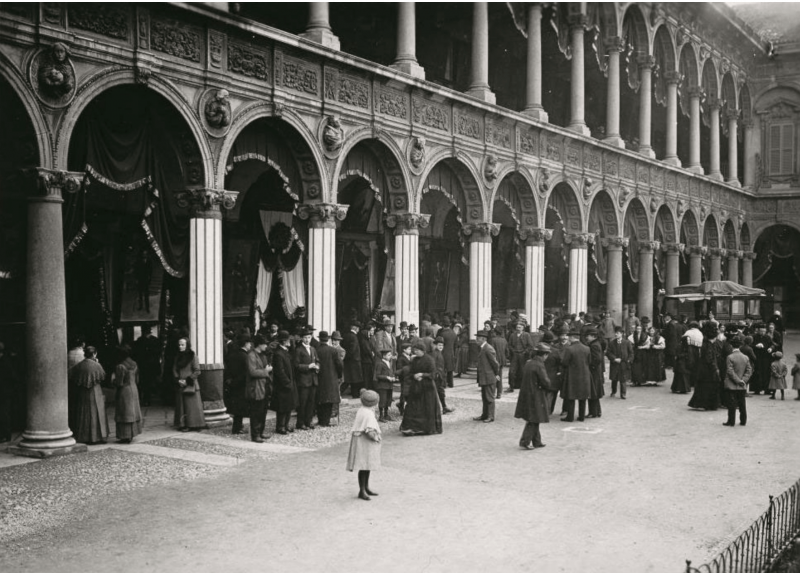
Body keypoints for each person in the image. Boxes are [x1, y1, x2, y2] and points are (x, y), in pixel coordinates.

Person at [515, 343, 553, 450]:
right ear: (544, 355)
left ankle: (537, 441)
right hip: (536, 394)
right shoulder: (539, 365)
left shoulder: (529, 363)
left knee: (535, 417)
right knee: (534, 419)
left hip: (528, 393)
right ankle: (525, 441)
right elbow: (545, 382)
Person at [69, 346, 109, 445]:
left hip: (83, 392)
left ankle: (84, 436)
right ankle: (98, 436)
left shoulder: (79, 365)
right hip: (95, 391)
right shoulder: (97, 365)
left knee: (84, 413)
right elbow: (102, 376)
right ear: (94, 354)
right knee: (97, 413)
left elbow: (72, 375)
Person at [400, 342, 442, 436]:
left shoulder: (429, 360)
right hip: (416, 386)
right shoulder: (414, 360)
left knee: (427, 407)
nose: (415, 352)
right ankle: (412, 427)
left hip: (427, 387)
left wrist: (422, 374)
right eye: (414, 350)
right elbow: (410, 372)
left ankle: (425, 428)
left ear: (423, 350)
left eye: (417, 350)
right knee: (413, 407)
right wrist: (414, 376)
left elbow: (433, 374)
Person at [346, 389, 381, 501]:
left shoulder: (362, 410)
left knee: (366, 465)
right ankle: (362, 490)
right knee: (364, 466)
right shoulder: (368, 414)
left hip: (359, 439)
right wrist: (376, 438)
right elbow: (369, 431)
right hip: (364, 442)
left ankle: (365, 487)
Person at [173, 337, 206, 432]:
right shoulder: (177, 357)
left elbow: (197, 370)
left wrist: (187, 380)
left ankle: (195, 424)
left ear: (187, 345)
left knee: (192, 406)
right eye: (179, 345)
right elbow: (174, 369)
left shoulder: (193, 356)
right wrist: (178, 379)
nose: (180, 347)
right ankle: (183, 424)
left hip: (191, 384)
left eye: (182, 345)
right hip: (181, 384)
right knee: (182, 406)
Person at [559, 327, 591, 422]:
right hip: (584, 375)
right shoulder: (587, 348)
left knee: (571, 396)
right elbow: (589, 361)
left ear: (572, 338)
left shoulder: (569, 349)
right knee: (583, 397)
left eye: (569, 337)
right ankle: (581, 416)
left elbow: (565, 362)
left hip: (572, 376)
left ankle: (570, 417)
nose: (568, 339)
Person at [688, 323, 721, 411]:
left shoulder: (705, 343)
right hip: (708, 370)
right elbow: (710, 358)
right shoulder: (710, 344)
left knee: (703, 386)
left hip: (703, 369)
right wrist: (715, 368)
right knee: (709, 386)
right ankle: (709, 404)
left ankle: (703, 403)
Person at [113, 345, 143, 444]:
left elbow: (119, 382)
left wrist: (113, 379)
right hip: (133, 389)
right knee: (132, 412)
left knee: (124, 413)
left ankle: (125, 436)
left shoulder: (120, 366)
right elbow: (137, 379)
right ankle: (131, 434)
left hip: (124, 391)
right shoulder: (134, 364)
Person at [245, 335, 272, 442]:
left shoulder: (263, 355)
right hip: (256, 387)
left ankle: (260, 432)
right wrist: (266, 371)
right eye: (265, 344)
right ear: (259, 345)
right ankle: (255, 434)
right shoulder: (251, 355)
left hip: (264, 386)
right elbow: (252, 372)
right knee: (256, 412)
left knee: (263, 411)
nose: (266, 346)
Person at [271, 331, 297, 434]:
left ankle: (286, 425)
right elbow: (280, 371)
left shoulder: (286, 352)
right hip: (282, 385)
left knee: (288, 406)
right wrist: (287, 383)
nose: (290, 342)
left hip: (288, 383)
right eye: (288, 340)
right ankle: (280, 426)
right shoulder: (278, 354)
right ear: (284, 341)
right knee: (282, 407)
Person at [294, 327, 320, 430]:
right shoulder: (298, 350)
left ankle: (308, 421)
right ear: (301, 338)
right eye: (305, 337)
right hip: (303, 380)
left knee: (311, 403)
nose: (307, 340)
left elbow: (318, 360)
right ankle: (300, 423)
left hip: (313, 379)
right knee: (302, 403)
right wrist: (308, 367)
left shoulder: (313, 349)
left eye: (309, 337)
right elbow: (296, 365)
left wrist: (317, 367)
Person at [723, 336, 752, 427]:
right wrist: (743, 380)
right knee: (742, 403)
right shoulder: (745, 357)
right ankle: (743, 421)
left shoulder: (730, 357)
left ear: (731, 346)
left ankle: (731, 421)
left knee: (731, 404)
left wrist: (737, 380)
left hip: (732, 384)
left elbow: (730, 371)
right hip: (742, 385)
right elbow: (749, 370)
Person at [226, 333, 251, 435]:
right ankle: (237, 428)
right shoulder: (245, 356)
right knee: (240, 407)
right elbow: (246, 372)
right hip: (242, 384)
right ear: (245, 344)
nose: (250, 345)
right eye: (249, 343)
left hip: (233, 383)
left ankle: (237, 426)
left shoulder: (233, 354)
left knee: (236, 407)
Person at [316, 331, 343, 427]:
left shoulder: (315, 349)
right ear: (328, 339)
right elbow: (339, 365)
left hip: (319, 377)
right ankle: (326, 421)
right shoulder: (333, 350)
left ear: (319, 339)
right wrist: (339, 375)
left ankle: (320, 420)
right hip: (331, 377)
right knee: (329, 400)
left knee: (320, 399)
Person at [473, 330, 500, 423]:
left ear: (483, 339)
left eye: (478, 338)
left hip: (489, 377)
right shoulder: (482, 348)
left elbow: (495, 364)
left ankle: (490, 416)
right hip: (484, 377)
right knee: (484, 397)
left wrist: (496, 374)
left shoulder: (488, 348)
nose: (476, 340)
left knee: (489, 397)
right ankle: (484, 415)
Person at [132, 326, 161, 407]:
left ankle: (142, 399)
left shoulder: (139, 341)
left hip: (142, 364)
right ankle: (146, 399)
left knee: (142, 382)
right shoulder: (155, 340)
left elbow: (135, 353)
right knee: (148, 383)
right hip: (150, 364)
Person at [607, 327, 633, 399]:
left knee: (623, 379)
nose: (616, 334)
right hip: (615, 363)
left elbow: (631, 353)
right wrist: (614, 358)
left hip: (623, 363)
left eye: (618, 333)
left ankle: (623, 393)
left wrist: (629, 360)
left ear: (622, 334)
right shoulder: (612, 343)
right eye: (615, 333)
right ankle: (613, 391)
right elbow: (608, 352)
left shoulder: (627, 343)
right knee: (614, 378)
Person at [507, 321, 533, 393]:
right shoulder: (512, 335)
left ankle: (523, 386)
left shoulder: (526, 335)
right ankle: (511, 386)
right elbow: (509, 345)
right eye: (517, 327)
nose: (518, 329)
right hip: (515, 355)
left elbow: (530, 346)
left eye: (520, 327)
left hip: (523, 355)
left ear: (523, 328)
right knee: (512, 371)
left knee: (523, 371)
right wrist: (513, 351)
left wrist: (525, 352)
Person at [432, 336, 454, 414]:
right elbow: (433, 365)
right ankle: (442, 407)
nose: (441, 347)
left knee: (440, 392)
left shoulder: (439, 353)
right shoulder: (435, 353)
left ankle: (444, 407)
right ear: (435, 345)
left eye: (442, 345)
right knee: (438, 392)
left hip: (440, 376)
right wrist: (437, 374)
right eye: (439, 345)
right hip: (437, 376)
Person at [586, 328, 604, 418]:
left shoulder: (594, 345)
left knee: (593, 392)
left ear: (593, 336)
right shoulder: (595, 344)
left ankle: (593, 412)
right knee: (595, 392)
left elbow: (597, 359)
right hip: (596, 372)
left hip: (594, 372)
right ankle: (597, 411)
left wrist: (591, 366)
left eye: (588, 336)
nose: (587, 337)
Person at [342, 321, 363, 398]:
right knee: (355, 380)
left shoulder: (345, 335)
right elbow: (352, 350)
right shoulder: (354, 337)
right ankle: (355, 395)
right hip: (354, 361)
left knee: (349, 379)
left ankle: (354, 394)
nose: (359, 330)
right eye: (358, 328)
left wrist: (345, 358)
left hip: (348, 361)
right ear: (355, 328)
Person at [374, 348, 396, 422]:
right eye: (389, 355)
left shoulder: (389, 363)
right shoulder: (380, 364)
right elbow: (378, 375)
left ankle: (386, 414)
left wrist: (393, 377)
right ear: (384, 356)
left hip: (389, 385)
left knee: (388, 400)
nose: (390, 356)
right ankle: (381, 416)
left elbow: (391, 372)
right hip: (382, 385)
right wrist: (387, 377)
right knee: (382, 400)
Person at [0, 342, 16, 443]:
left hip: (4, 392)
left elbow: (11, 378)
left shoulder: (4, 362)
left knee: (3, 414)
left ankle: (5, 435)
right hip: (4, 392)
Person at [489, 327, 508, 398]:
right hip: (502, 360)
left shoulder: (493, 340)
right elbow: (507, 351)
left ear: (495, 332)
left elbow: (491, 351)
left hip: (495, 360)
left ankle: (493, 392)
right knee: (499, 376)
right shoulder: (504, 340)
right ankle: (499, 393)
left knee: (494, 376)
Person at [439, 317, 457, 389]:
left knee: (443, 369)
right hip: (451, 352)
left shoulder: (442, 333)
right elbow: (456, 344)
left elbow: (438, 342)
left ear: (443, 325)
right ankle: (451, 383)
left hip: (443, 353)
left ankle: (443, 384)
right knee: (450, 370)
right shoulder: (453, 333)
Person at [358, 322, 375, 391]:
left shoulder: (367, 340)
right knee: (367, 377)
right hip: (366, 361)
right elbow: (368, 350)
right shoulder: (364, 341)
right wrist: (372, 353)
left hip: (367, 361)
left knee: (368, 376)